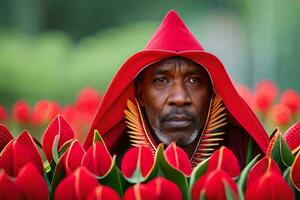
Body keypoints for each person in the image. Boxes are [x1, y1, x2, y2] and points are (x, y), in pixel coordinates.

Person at [84, 10, 270, 167]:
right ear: (140, 94)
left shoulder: (247, 158)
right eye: (161, 81)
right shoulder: (111, 168)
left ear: (212, 93)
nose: (180, 97)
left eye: (194, 81)